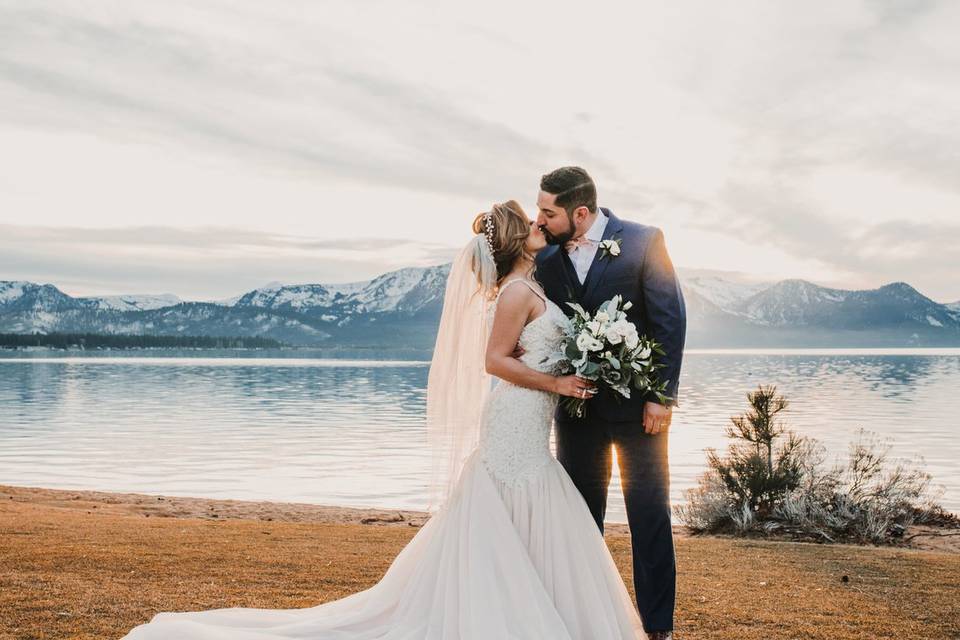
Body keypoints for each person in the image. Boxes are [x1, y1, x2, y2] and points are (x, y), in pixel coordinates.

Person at [122, 200, 647, 639]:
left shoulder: (532, 287)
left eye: (542, 218)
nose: (539, 224)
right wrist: (558, 382)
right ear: (513, 240)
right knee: (511, 508)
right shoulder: (514, 292)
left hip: (530, 422)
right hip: (515, 419)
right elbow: (495, 361)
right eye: (530, 222)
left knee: (529, 510)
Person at [534, 166, 686, 640]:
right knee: (579, 521)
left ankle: (658, 626)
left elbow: (670, 321)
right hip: (575, 412)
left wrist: (661, 397)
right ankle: (584, 620)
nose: (539, 220)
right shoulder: (544, 257)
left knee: (649, 516)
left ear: (580, 213)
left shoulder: (644, 241)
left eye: (547, 211)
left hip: (640, 412)